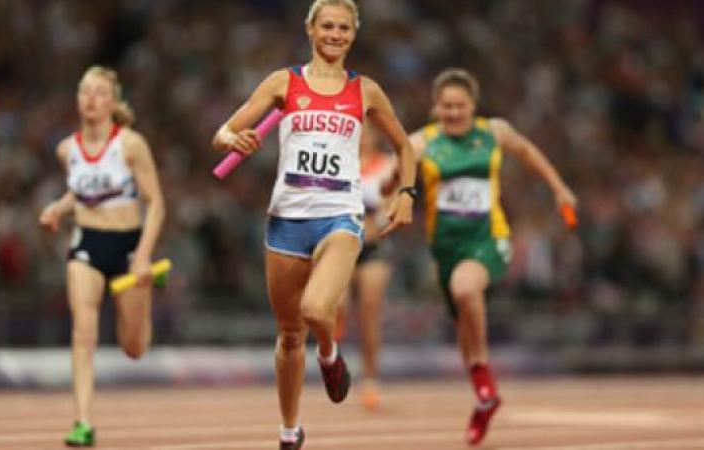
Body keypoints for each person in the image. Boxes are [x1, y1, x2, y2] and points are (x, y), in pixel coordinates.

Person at [212, 1, 416, 448]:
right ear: (310, 29)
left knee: (317, 311)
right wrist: (234, 138)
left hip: (339, 215)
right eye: (327, 26)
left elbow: (405, 146)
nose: (335, 34)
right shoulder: (285, 81)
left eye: (344, 28)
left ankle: (329, 353)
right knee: (288, 337)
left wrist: (407, 194)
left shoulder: (366, 91)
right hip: (286, 220)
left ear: (353, 35)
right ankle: (290, 431)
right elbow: (224, 131)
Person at [410, 68, 577, 446]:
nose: (454, 112)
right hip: (445, 246)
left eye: (461, 105)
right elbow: (394, 171)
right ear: (436, 107)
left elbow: (528, 151)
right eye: (447, 106)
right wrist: (391, 188)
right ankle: (484, 396)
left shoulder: (494, 132)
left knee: (466, 289)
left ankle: (485, 379)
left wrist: (559, 188)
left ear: (473, 105)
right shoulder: (422, 142)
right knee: (462, 319)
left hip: (490, 238)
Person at [39, 66, 166, 447]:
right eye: (84, 92)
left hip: (128, 248)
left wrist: (143, 256)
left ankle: (147, 293)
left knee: (134, 347)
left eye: (99, 92)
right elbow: (82, 192)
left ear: (113, 102)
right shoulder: (67, 149)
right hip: (87, 245)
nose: (90, 99)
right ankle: (82, 422)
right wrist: (58, 210)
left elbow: (156, 202)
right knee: (83, 332)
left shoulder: (130, 144)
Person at [334, 123, 397, 411]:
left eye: (366, 132)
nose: (360, 138)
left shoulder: (387, 165)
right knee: (337, 307)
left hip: (373, 247)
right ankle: (334, 359)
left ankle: (370, 379)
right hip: (341, 246)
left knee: (369, 315)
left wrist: (378, 224)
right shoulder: (337, 163)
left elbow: (391, 205)